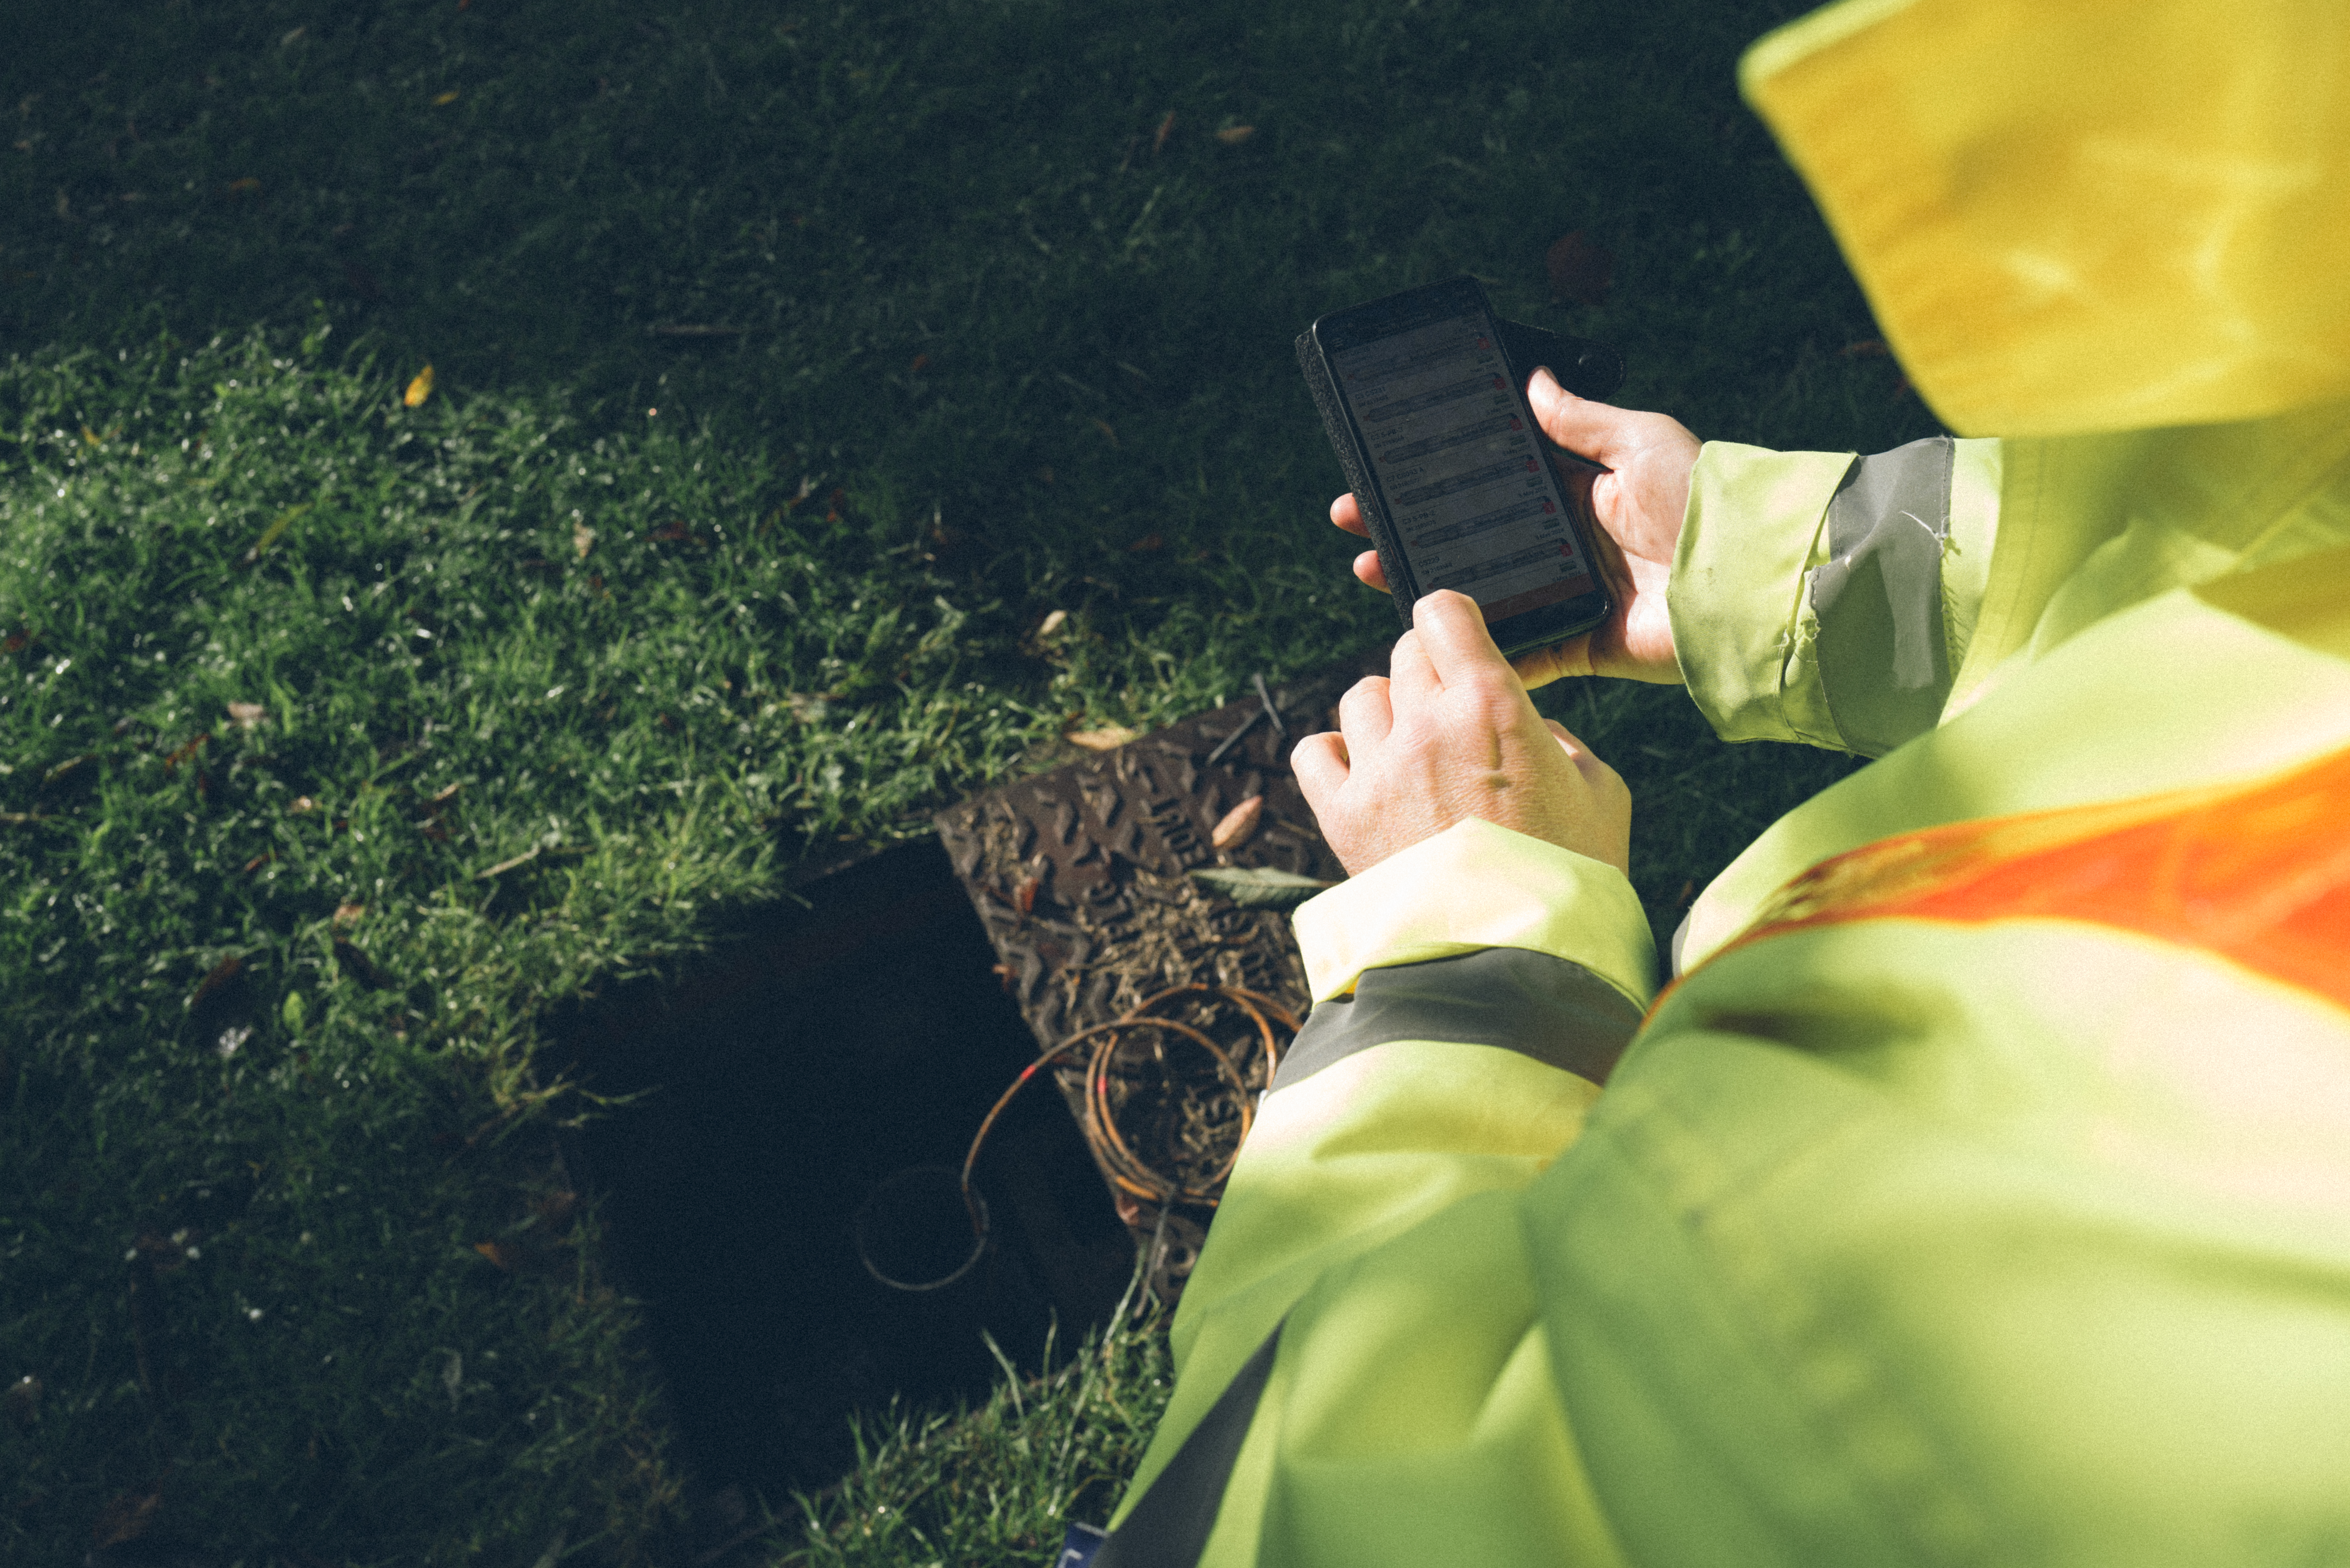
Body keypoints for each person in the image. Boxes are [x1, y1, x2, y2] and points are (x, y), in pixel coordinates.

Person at [1085, 0, 2350, 1563]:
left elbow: (1300, 1513)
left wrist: (1464, 950)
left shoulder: (2152, 1163)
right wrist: (1784, 571)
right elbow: (2271, 533)